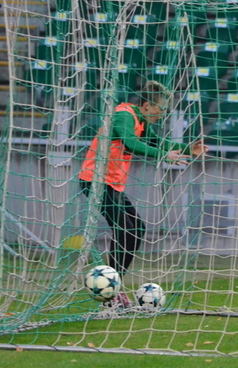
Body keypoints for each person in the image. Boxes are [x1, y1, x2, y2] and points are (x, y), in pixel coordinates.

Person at [79, 80, 207, 305]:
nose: (162, 115)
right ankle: (112, 291)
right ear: (147, 106)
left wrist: (188, 149)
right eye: (161, 110)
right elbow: (129, 143)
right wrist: (164, 156)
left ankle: (113, 284)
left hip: (111, 184)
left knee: (136, 228)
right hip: (95, 181)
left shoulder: (139, 120)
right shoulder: (124, 115)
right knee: (125, 228)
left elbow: (156, 141)